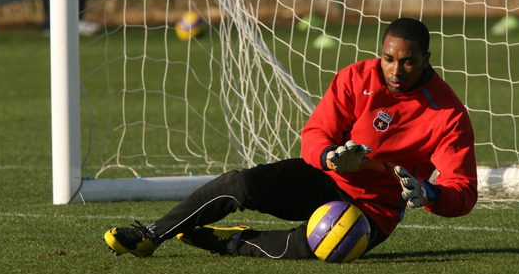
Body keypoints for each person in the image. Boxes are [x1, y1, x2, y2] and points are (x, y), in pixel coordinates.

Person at [104, 18, 478, 260]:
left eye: (408, 62)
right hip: (328, 179)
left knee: (320, 245)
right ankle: (152, 234)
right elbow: (315, 134)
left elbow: (463, 191)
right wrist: (330, 156)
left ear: (426, 58)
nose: (396, 70)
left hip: (373, 212)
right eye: (388, 59)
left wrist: (430, 194)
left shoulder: (447, 113)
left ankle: (231, 241)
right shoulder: (356, 77)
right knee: (242, 183)